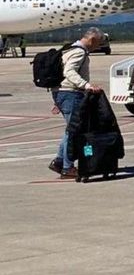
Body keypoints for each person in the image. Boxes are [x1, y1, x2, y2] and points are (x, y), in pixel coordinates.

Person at [49, 28, 105, 178]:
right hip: (70, 94)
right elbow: (69, 72)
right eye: (98, 43)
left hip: (62, 93)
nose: (97, 47)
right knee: (74, 132)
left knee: (70, 130)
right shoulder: (79, 52)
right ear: (92, 40)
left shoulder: (69, 48)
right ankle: (67, 167)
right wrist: (87, 85)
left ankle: (60, 162)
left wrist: (58, 98)